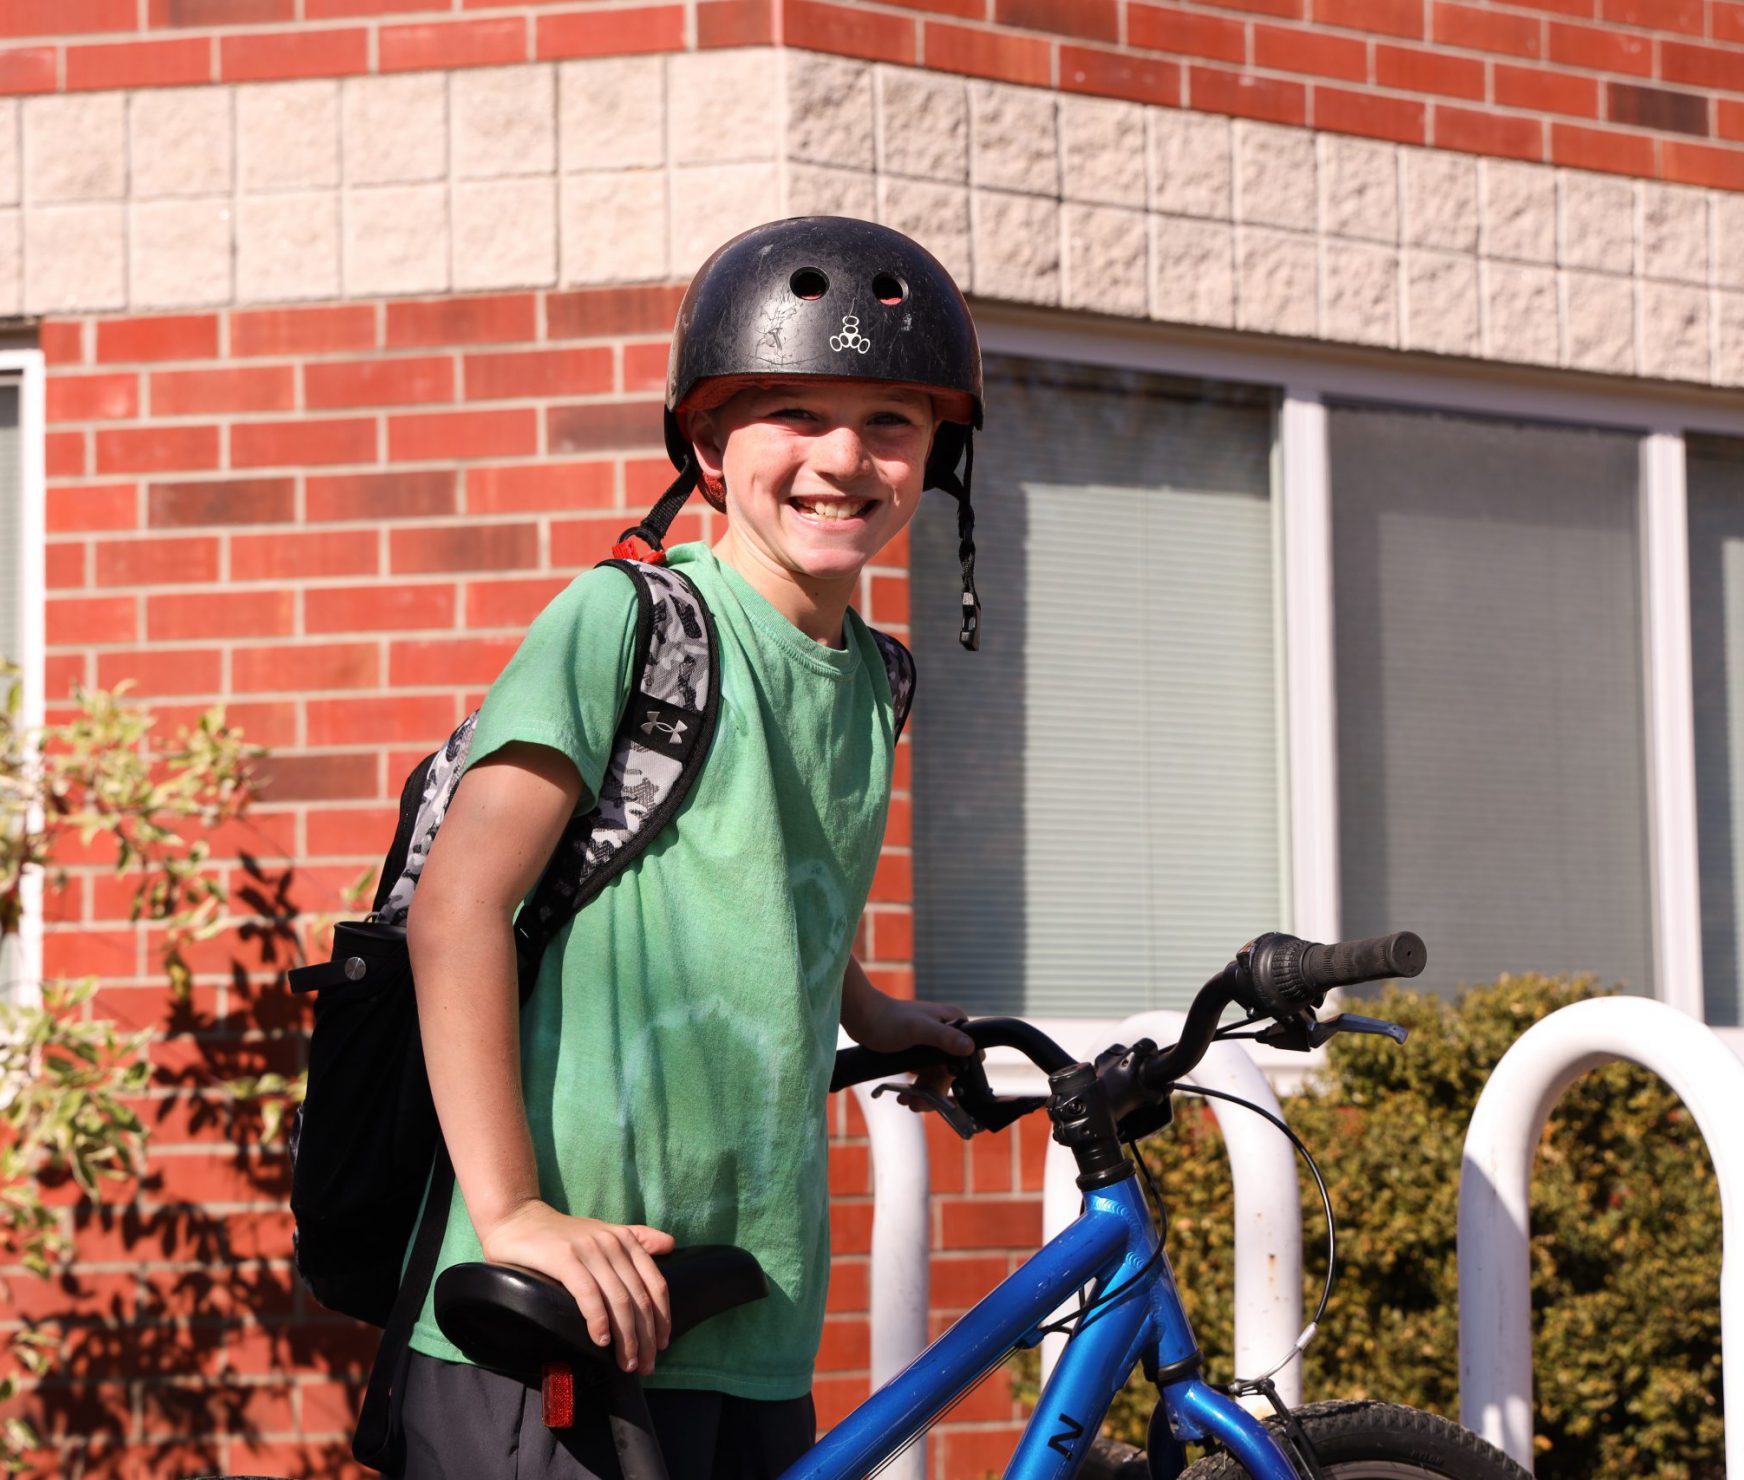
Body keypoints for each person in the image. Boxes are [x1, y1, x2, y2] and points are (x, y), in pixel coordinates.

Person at [392, 216, 986, 1479]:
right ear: (709, 447)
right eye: (793, 414)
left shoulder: (875, 677)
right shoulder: (626, 619)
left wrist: (870, 1011)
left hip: (750, 1307)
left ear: (935, 450)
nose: (844, 458)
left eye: (890, 420)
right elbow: (458, 907)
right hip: (560, 1297)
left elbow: (774, 884)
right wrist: (514, 1215)